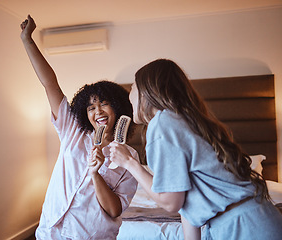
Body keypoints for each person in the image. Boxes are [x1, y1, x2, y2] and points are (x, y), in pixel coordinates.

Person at [110, 58, 282, 240]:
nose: (129, 94)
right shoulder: (187, 123)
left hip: (244, 227)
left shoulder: (163, 123)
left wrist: (130, 163)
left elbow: (170, 201)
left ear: (147, 91)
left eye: (133, 86)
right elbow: (186, 203)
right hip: (254, 220)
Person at [20, 15, 139, 240]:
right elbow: (49, 84)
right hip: (51, 230)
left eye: (104, 103)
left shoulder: (128, 156)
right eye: (91, 107)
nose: (98, 111)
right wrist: (27, 40)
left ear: (119, 108)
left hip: (90, 235)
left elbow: (114, 210)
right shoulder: (73, 130)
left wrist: (96, 174)